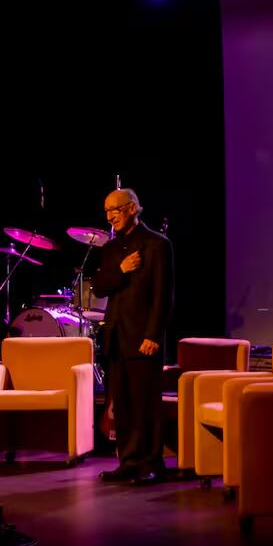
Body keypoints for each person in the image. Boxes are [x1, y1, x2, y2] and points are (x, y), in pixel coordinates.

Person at [91, 188, 174, 486]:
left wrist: (153, 334)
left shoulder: (156, 244)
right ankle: (127, 461)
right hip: (117, 336)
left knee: (145, 404)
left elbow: (162, 295)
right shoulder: (111, 249)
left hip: (143, 338)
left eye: (114, 210)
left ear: (132, 209)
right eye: (106, 211)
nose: (110, 216)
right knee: (122, 403)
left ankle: (151, 463)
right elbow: (99, 287)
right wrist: (121, 270)